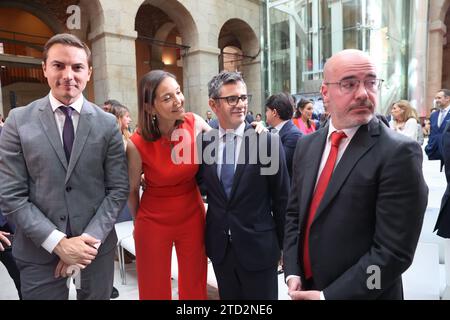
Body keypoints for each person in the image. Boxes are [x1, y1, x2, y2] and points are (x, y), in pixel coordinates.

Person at [283, 49, 428, 300]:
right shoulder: (307, 146)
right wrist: (293, 270)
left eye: (370, 82)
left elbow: (393, 253)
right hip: (306, 286)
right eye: (349, 84)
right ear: (325, 93)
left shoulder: (399, 153)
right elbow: (295, 214)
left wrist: (331, 296)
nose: (363, 93)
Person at [0, 33, 129, 300]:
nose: (68, 75)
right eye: (59, 65)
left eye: (77, 67)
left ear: (89, 72)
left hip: (94, 251)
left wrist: (85, 243)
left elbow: (117, 189)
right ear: (44, 68)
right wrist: (58, 243)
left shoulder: (106, 124)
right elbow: (12, 194)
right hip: (39, 251)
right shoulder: (18, 121)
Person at [197, 71, 290, 299]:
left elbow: (282, 199)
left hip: (259, 249)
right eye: (232, 99)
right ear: (213, 104)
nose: (240, 104)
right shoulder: (205, 143)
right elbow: (200, 186)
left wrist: (287, 248)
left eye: (243, 97)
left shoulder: (265, 141)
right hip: (221, 250)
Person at [127, 70, 211, 300]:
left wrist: (258, 132)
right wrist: (139, 222)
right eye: (167, 98)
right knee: (154, 287)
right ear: (149, 108)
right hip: (153, 219)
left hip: (192, 213)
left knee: (195, 282)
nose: (178, 100)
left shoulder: (195, 123)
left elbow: (228, 144)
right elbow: (132, 190)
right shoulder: (136, 144)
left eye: (178, 92)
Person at [265, 92, 303, 179]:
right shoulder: (270, 130)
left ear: (274, 112)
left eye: (267, 110)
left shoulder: (294, 135)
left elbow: (277, 164)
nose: (266, 113)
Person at [425, 89, 450, 162]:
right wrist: (429, 147)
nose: (436, 100)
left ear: (448, 98)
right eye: (435, 98)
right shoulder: (434, 115)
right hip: (434, 153)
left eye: (439, 98)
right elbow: (432, 133)